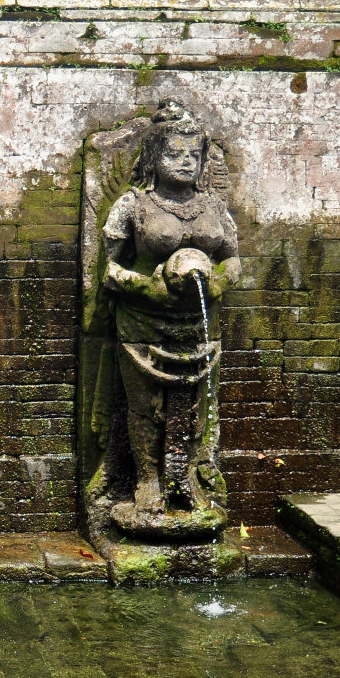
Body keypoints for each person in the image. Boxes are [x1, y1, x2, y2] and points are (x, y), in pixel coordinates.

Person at [99, 98, 239, 534]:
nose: (185, 162)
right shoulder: (133, 205)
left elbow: (233, 259)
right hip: (144, 321)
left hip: (199, 321)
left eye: (194, 155)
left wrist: (218, 284)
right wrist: (148, 288)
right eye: (174, 154)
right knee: (145, 406)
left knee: (194, 404)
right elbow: (107, 270)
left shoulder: (212, 206)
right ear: (153, 157)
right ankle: (147, 480)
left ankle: (185, 476)